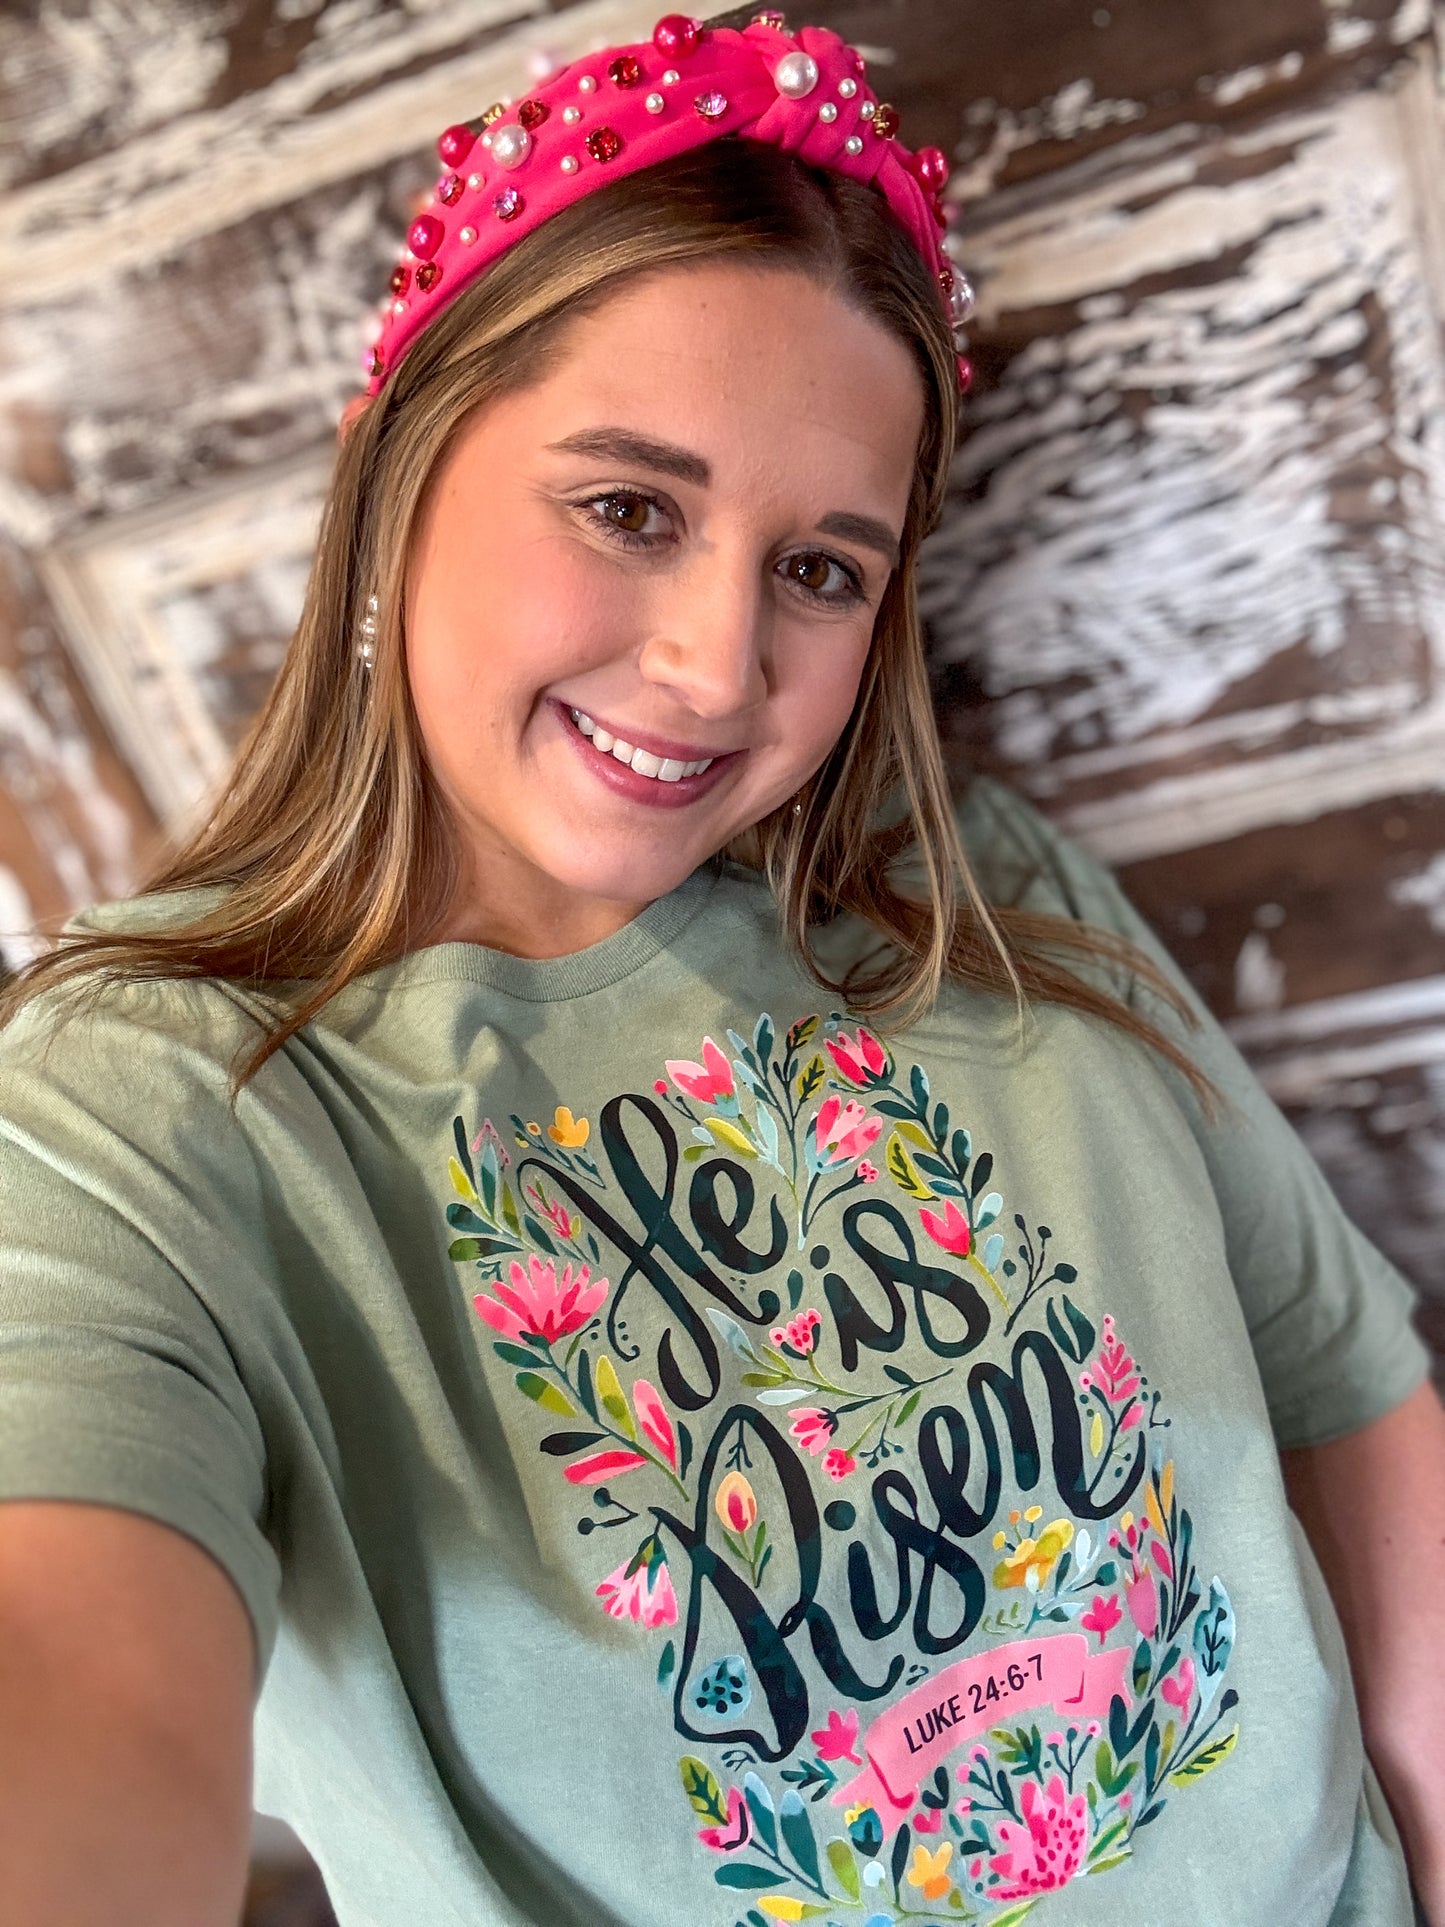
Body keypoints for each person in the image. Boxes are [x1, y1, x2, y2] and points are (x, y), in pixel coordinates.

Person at [0, 10, 1440, 1926]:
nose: (715, 662)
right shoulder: (142, 1107)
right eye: (627, 509)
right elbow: (74, 1667)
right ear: (396, 477)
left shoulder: (980, 894)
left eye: (821, 566)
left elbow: (1340, 1389)